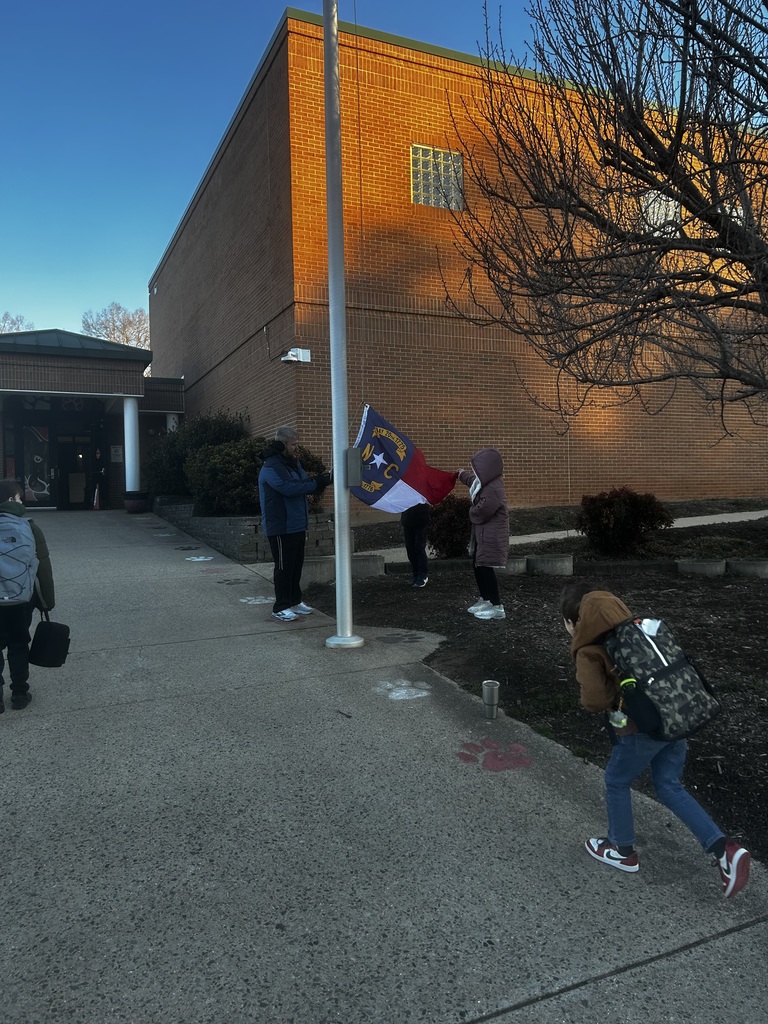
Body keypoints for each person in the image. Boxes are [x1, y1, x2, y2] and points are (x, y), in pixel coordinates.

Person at [560, 581, 750, 897]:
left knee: (616, 781)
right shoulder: (640, 631)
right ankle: (724, 849)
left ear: (573, 622)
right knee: (669, 785)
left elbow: (593, 701)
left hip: (639, 731)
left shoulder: (590, 650)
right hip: (675, 721)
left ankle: (622, 850)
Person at [258, 427, 331, 622]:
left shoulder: (292, 463)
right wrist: (318, 482)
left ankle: (294, 601)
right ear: (283, 444)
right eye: (293, 444)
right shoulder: (271, 466)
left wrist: (320, 480)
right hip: (281, 526)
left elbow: (303, 482)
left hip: (297, 524)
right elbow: (288, 488)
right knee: (283, 567)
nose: (295, 448)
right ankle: (280, 606)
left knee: (296, 565)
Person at [0, 478, 55, 712]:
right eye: (20, 497)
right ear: (13, 499)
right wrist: (47, 602)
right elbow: (43, 567)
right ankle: (20, 693)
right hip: (21, 598)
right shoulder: (30, 527)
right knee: (19, 643)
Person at [457, 448, 509, 620]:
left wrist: (471, 511)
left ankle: (497, 606)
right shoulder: (485, 483)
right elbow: (473, 481)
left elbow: (482, 511)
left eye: (477, 469)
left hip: (491, 536)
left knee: (486, 568)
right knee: (478, 565)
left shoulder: (494, 488)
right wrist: (460, 474)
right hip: (483, 534)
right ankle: (485, 599)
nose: (475, 473)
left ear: (487, 469)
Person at [401, 503, 430, 588]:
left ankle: (422, 574)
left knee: (419, 547)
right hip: (407, 518)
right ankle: (416, 573)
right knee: (410, 548)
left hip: (421, 518)